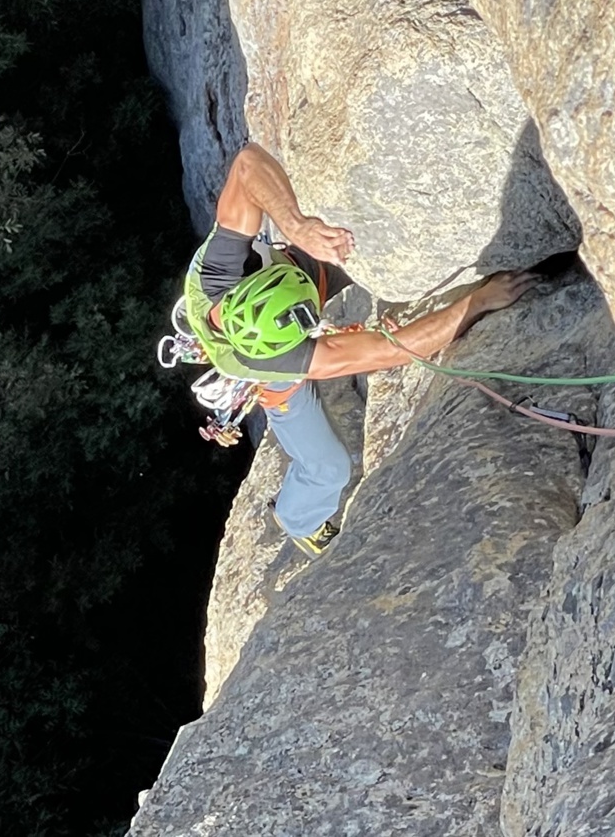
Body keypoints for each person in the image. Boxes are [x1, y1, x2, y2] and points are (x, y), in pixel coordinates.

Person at [184, 142, 538, 558]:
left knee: (331, 250)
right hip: (277, 380)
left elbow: (247, 163)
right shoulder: (282, 360)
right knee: (329, 468)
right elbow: (391, 351)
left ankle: (306, 266)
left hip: (293, 267)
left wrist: (297, 227)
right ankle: (299, 518)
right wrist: (475, 303)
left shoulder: (221, 270)